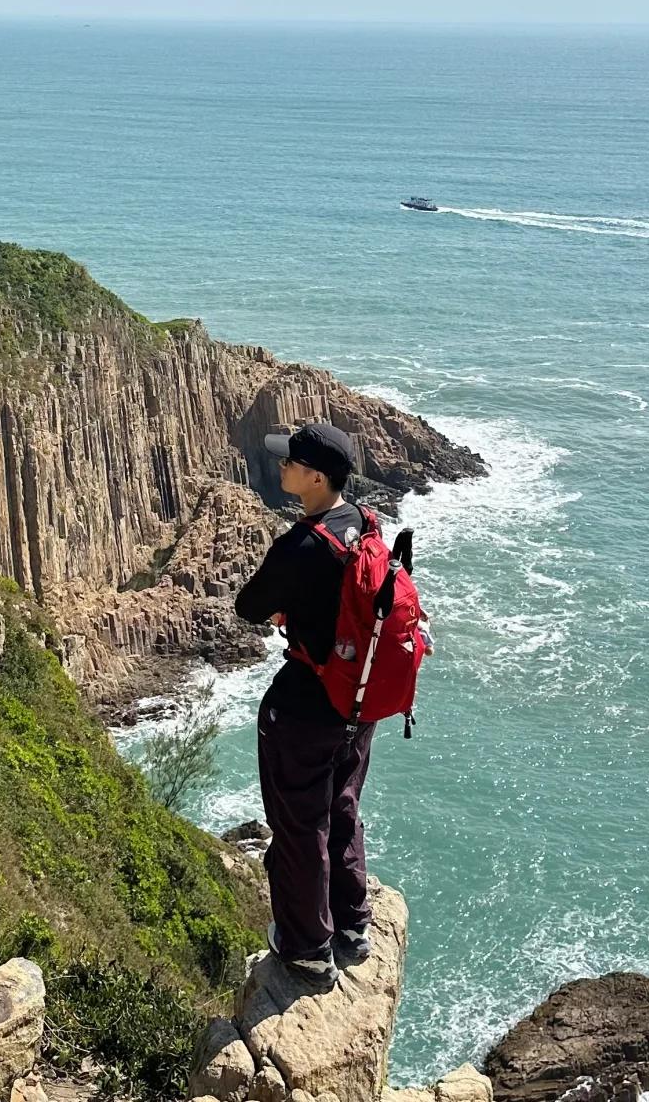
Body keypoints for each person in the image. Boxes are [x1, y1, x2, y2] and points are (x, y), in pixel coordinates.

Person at [234, 420, 376, 990]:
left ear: (315, 478)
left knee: (298, 826)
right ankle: (352, 925)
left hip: (304, 708)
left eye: (290, 463)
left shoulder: (300, 546)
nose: (281, 467)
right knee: (341, 807)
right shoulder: (363, 522)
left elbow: (250, 604)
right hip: (357, 703)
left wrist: (286, 607)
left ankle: (307, 948)